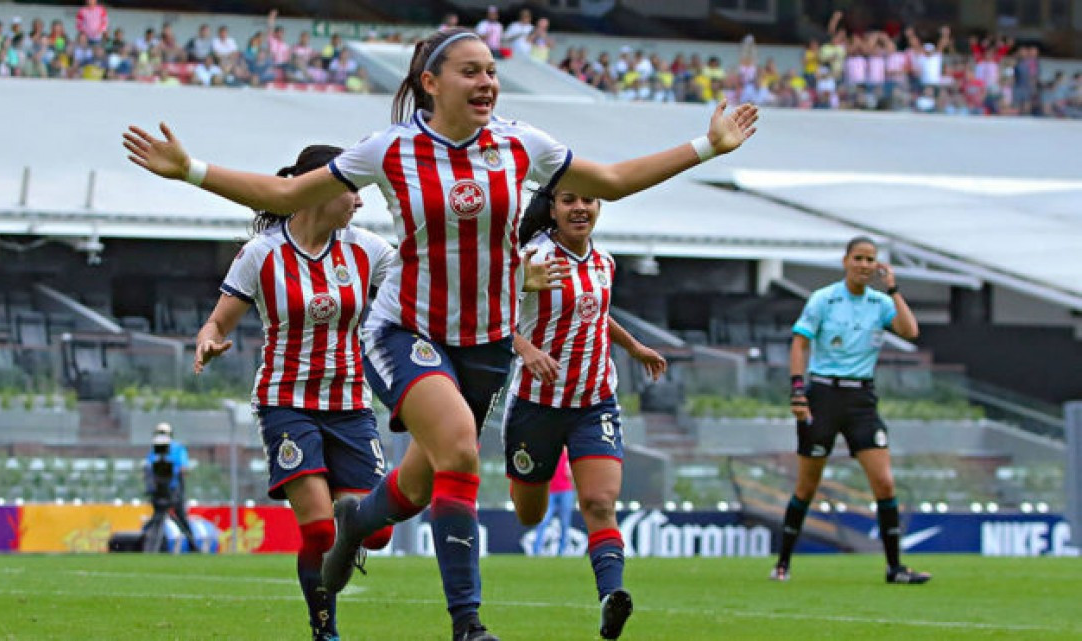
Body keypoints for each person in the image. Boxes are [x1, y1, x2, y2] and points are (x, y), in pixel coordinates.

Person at [123, 27, 757, 641]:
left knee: (418, 486)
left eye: (492, 72)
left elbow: (613, 181)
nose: (487, 82)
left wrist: (707, 146)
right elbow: (284, 192)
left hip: (484, 345)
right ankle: (468, 623)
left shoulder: (522, 146)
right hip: (405, 330)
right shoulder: (390, 149)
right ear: (431, 83)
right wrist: (191, 169)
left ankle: (357, 524)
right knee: (459, 449)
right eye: (471, 71)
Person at [193, 144, 403, 641]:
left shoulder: (368, 249)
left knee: (377, 531)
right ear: (318, 188)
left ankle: (346, 549)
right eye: (351, 190)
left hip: (350, 405)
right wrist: (208, 338)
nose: (358, 202)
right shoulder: (262, 253)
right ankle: (324, 629)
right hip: (287, 403)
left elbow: (426, 281)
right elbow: (219, 318)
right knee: (318, 531)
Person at [505, 188, 666, 639]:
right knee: (529, 514)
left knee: (599, 502)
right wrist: (527, 349)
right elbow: (490, 316)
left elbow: (595, 313)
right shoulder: (532, 258)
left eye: (590, 200)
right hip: (537, 405)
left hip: (594, 402)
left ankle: (611, 597)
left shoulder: (604, 262)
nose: (581, 208)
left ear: (600, 208)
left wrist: (633, 346)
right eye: (570, 200)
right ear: (552, 209)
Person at [772, 235, 929, 585]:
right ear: (846, 261)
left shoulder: (879, 302)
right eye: (858, 258)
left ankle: (894, 568)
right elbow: (800, 342)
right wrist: (798, 390)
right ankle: (782, 563)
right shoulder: (823, 299)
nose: (863, 265)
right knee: (806, 487)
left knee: (885, 484)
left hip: (861, 399)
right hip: (824, 395)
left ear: (877, 266)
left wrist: (894, 289)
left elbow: (910, 330)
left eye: (870, 259)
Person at [142, 423, 199, 553]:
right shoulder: (153, 451)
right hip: (159, 491)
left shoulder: (178, 449)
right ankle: (148, 545)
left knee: (181, 518)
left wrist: (174, 470)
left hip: (174, 490)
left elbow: (184, 468)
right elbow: (148, 469)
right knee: (157, 518)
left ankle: (193, 546)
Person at [530, 447, 573, 556]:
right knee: (543, 521)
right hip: (550, 491)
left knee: (565, 523)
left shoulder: (569, 453)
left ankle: (562, 552)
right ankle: (536, 551)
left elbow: (574, 472)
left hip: (566, 491)